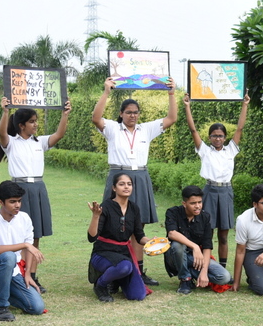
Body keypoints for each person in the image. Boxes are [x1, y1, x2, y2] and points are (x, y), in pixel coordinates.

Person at [92, 77, 178, 286]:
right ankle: (114, 267)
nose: (132, 116)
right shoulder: (112, 128)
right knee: (113, 224)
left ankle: (139, 271)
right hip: (118, 175)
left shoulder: (146, 129)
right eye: (128, 112)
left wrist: (171, 93)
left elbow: (172, 118)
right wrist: (106, 92)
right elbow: (96, 118)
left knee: (137, 226)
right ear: (121, 114)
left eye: (135, 112)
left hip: (139, 177)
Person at [0, 96, 72, 293]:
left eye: (36, 121)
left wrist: (65, 115)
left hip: (38, 188)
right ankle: (18, 274)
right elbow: (2, 133)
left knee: (35, 233)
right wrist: (5, 112)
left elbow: (60, 134)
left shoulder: (40, 142)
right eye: (32, 121)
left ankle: (33, 275)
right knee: (19, 233)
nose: (36, 124)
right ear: (21, 125)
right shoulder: (11, 143)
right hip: (19, 189)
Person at [183, 92, 250, 269]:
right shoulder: (204, 150)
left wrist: (245, 105)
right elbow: (193, 130)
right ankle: (205, 264)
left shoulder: (231, 150)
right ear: (209, 137)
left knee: (223, 234)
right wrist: (187, 106)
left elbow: (240, 129)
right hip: (209, 191)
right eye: (214, 135)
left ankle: (222, 266)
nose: (217, 138)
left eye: (220, 136)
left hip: (226, 191)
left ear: (225, 137)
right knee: (207, 231)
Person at [0, 180, 46, 321]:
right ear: (0, 202)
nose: (17, 205)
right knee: (8, 256)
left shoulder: (24, 218)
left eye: (19, 201)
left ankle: (7, 293)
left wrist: (28, 274)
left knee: (37, 307)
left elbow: (28, 250)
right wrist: (25, 245)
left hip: (15, 272)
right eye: (12, 201)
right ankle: (1, 307)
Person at [87, 172, 151, 302]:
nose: (126, 187)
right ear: (114, 188)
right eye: (122, 184)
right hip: (103, 253)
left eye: (129, 184)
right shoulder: (106, 206)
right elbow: (92, 237)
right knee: (124, 267)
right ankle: (100, 285)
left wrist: (152, 243)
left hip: (123, 253)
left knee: (137, 295)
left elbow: (139, 236)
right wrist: (95, 216)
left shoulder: (134, 208)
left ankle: (116, 279)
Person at [164, 185, 232, 294]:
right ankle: (185, 280)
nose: (198, 206)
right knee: (178, 245)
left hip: (195, 259)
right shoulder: (173, 212)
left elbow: (207, 245)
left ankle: (191, 274)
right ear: (184, 204)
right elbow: (172, 233)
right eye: (193, 203)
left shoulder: (205, 217)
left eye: (199, 202)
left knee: (224, 277)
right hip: (175, 256)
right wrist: (195, 247)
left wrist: (204, 271)